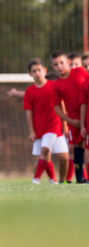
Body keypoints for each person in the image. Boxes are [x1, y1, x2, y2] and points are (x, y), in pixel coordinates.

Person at [24, 58, 68, 184]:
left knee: (61, 158)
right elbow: (29, 113)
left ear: (44, 70)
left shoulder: (53, 86)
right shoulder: (29, 91)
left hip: (54, 126)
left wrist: (64, 124)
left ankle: (39, 179)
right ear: (30, 74)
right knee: (43, 156)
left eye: (39, 70)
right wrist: (32, 131)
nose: (37, 73)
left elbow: (62, 105)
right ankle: (52, 180)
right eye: (34, 71)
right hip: (39, 128)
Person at [52, 51, 89, 183]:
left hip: (88, 115)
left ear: (68, 62)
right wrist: (71, 121)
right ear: (53, 67)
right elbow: (57, 108)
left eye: (62, 63)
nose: (60, 66)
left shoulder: (80, 71)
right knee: (77, 148)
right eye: (56, 64)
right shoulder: (57, 85)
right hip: (75, 121)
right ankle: (80, 179)